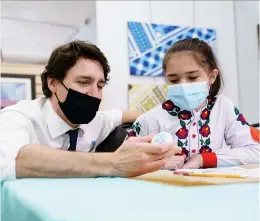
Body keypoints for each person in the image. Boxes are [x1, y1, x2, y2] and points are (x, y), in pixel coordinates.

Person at [0, 40, 181, 182]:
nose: (94, 93)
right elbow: (16, 159)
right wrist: (114, 162)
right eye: (84, 82)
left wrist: (162, 117)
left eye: (100, 85)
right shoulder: (17, 117)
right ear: (53, 83)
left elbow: (120, 115)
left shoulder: (97, 121)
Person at [128, 38, 259, 170]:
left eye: (192, 77)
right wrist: (158, 164)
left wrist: (203, 159)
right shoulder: (150, 120)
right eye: (174, 80)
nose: (183, 85)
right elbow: (125, 161)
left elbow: (255, 151)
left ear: (212, 76)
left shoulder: (223, 107)